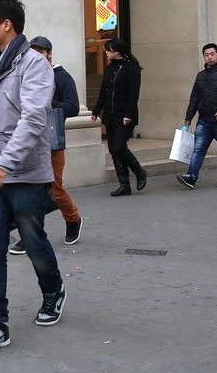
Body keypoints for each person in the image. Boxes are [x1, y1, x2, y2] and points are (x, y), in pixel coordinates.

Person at [0, 0, 65, 358]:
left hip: (22, 175)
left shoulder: (35, 66)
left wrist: (5, 164)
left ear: (7, 24)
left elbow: (34, 119)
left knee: (32, 240)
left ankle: (53, 291)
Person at [23, 35, 83, 247]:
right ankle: (27, 234)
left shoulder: (62, 76)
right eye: (33, 51)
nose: (37, 55)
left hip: (52, 140)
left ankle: (73, 219)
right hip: (30, 140)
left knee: (55, 188)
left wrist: (48, 103)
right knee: (29, 188)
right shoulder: (28, 75)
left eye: (41, 51)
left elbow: (73, 107)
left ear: (49, 54)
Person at [90, 37, 148, 201]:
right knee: (113, 150)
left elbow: (134, 94)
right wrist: (96, 111)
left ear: (116, 51)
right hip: (110, 115)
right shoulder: (109, 69)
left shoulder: (132, 69)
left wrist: (128, 114)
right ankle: (124, 184)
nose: (106, 52)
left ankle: (139, 171)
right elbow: (103, 91)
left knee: (118, 147)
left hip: (125, 115)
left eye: (108, 50)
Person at [176, 43, 217, 190]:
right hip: (204, 120)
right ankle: (191, 177)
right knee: (198, 149)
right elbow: (194, 99)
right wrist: (188, 117)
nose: (209, 57)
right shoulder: (200, 76)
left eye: (212, 54)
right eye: (206, 55)